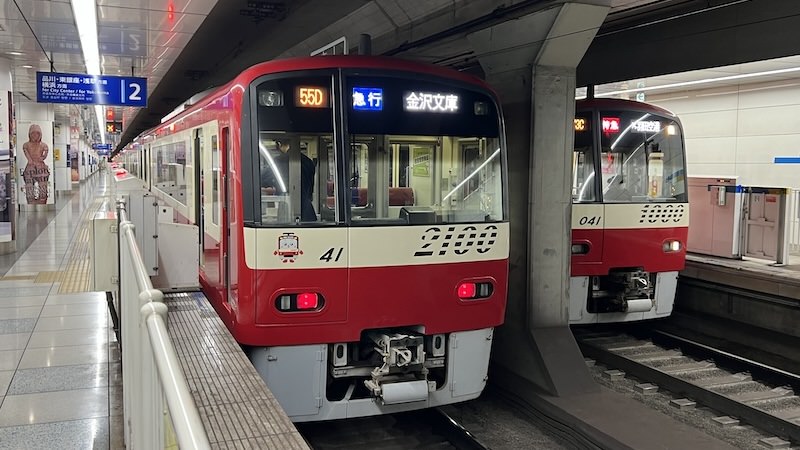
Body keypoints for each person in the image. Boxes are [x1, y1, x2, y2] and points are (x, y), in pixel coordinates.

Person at [260, 140, 317, 222]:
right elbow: (311, 190)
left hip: (286, 208)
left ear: (279, 144)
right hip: (308, 212)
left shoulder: (278, 161)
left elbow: (262, 179)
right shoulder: (309, 162)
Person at [22, 124, 50, 204]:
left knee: (43, 187)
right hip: (30, 167)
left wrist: (42, 157)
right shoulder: (26, 145)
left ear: (40, 134)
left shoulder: (43, 145)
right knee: (29, 187)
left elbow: (45, 153)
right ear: (29, 134)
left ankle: (42, 200)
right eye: (33, 133)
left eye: (37, 133)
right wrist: (30, 160)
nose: (35, 135)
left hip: (41, 167)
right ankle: (31, 202)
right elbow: (27, 155)